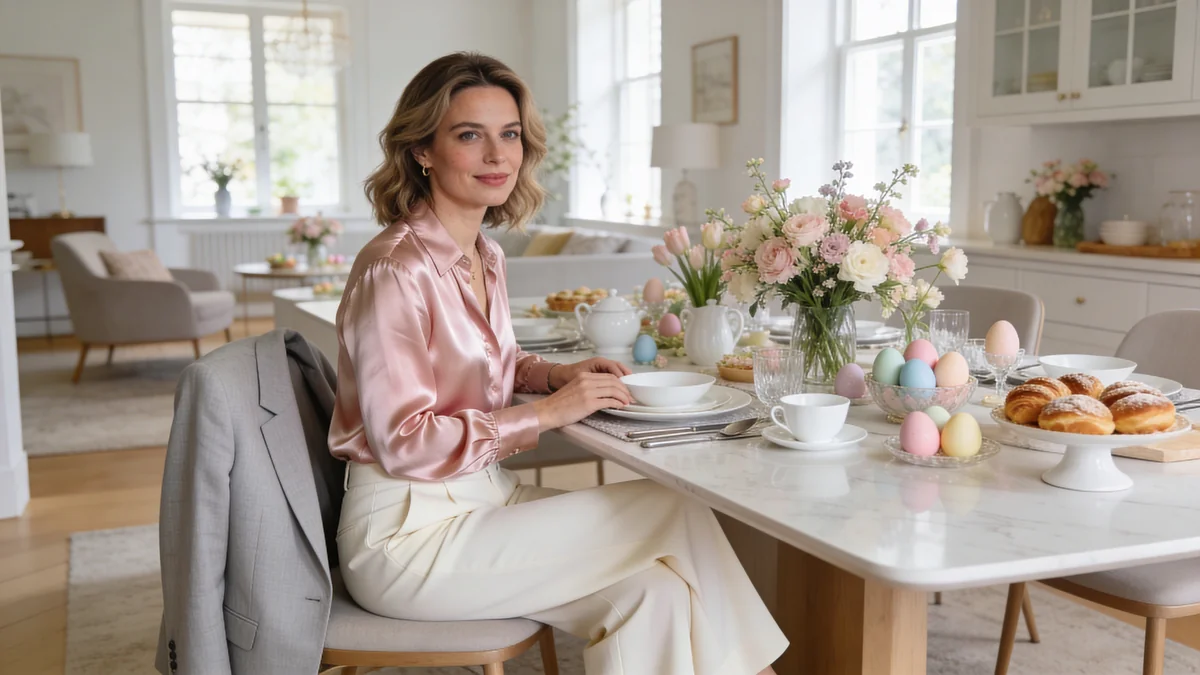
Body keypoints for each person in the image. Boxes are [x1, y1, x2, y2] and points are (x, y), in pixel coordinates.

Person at [330, 51, 788, 675]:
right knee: (677, 508)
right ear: (422, 150)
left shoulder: (484, 254)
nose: (498, 155)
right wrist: (546, 414)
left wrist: (555, 376)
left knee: (653, 596)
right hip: (408, 538)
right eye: (470, 135)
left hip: (483, 500)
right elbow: (405, 441)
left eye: (510, 134)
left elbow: (493, 358)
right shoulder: (394, 269)